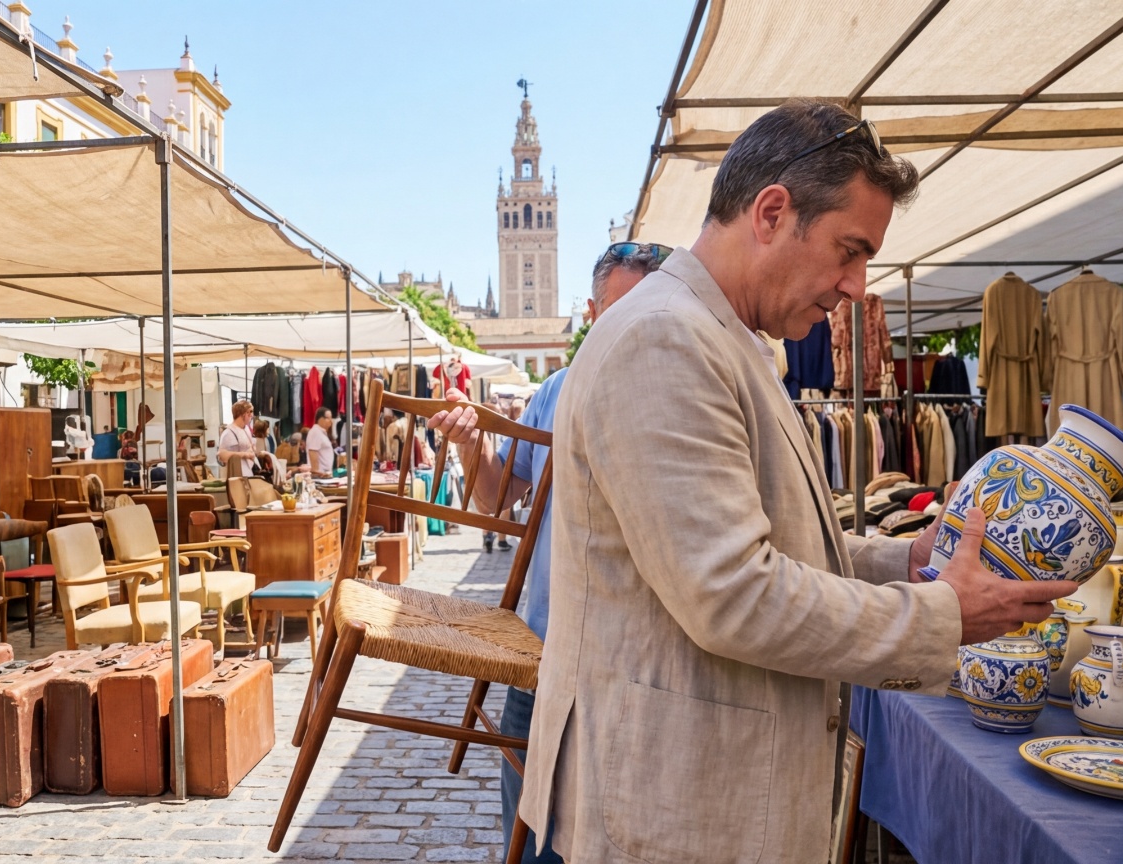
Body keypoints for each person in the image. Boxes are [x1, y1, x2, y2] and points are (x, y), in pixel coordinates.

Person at [512, 99, 1075, 862]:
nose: (855, 285)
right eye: (849, 250)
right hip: (667, 807)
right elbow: (733, 594)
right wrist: (941, 617)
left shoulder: (720, 335)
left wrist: (899, 561)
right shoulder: (664, 340)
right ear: (772, 212)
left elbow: (762, 537)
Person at [427, 241, 666, 864]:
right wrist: (469, 445)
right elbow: (495, 499)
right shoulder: (555, 390)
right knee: (529, 839)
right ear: (591, 311)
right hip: (544, 656)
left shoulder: (682, 396)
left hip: (638, 671)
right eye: (619, 309)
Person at [218, 400, 258, 478]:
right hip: (236, 474)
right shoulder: (229, 432)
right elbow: (222, 456)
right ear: (243, 414)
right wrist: (244, 455)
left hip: (248, 471)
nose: (251, 415)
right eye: (250, 412)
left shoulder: (246, 429)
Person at [307, 408, 336, 477]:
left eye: (331, 418)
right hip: (320, 476)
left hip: (325, 474)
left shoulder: (322, 433)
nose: (330, 421)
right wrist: (317, 474)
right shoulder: (315, 432)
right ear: (320, 419)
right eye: (328, 418)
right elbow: (313, 453)